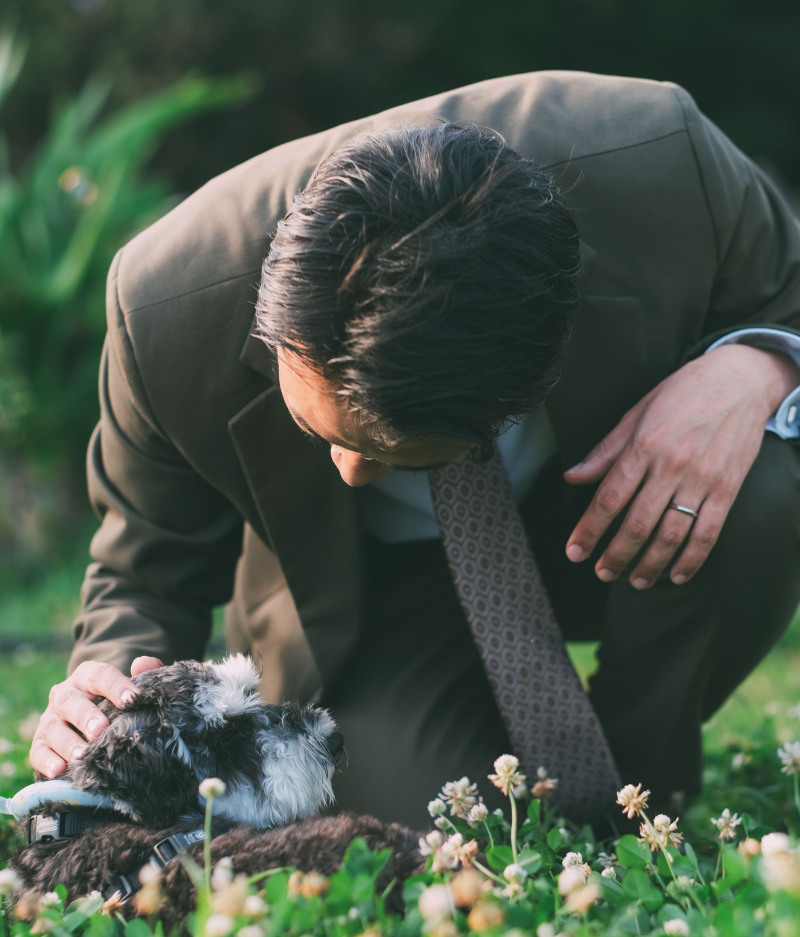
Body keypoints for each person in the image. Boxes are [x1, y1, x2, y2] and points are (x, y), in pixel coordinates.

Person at [30, 70, 800, 827]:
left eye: (387, 452)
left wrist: (759, 365)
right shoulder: (161, 307)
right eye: (320, 429)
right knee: (440, 829)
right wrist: (105, 703)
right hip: (368, 598)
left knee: (765, 489)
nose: (349, 470)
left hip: (601, 513)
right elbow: (145, 570)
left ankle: (638, 790)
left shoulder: (663, 157)